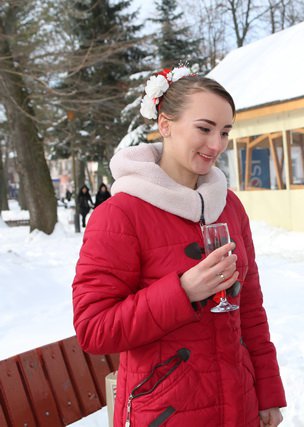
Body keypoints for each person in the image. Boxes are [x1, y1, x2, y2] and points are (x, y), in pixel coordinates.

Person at [72, 67, 286, 426]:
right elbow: (94, 329)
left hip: (239, 405)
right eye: (204, 129)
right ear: (166, 124)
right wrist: (184, 291)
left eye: (225, 132)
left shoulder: (229, 205)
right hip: (165, 412)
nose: (216, 145)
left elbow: (250, 308)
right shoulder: (119, 214)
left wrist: (266, 394)